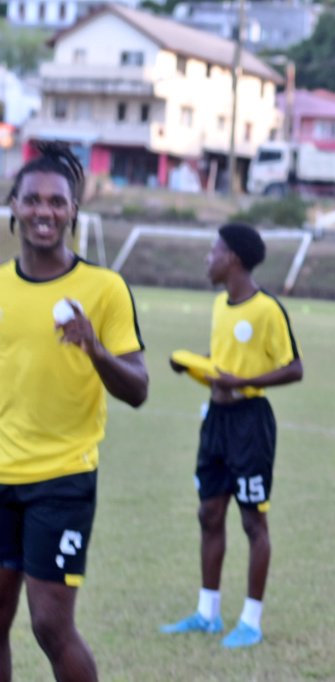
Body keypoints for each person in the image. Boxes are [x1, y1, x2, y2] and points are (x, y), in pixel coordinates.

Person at [1, 142, 149, 682]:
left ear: (73, 212)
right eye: (33, 200)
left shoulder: (103, 289)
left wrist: (97, 350)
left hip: (61, 479)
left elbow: (137, 390)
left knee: (49, 626)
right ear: (14, 206)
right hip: (0, 478)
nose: (45, 211)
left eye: (57, 202)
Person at [161, 224, 303, 649]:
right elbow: (222, 363)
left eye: (214, 251)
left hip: (250, 423)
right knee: (209, 513)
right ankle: (207, 613)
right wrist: (196, 366)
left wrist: (245, 380)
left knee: (252, 520)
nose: (208, 258)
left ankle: (251, 621)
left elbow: (293, 367)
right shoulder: (221, 306)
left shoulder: (266, 309)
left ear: (234, 259)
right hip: (216, 422)